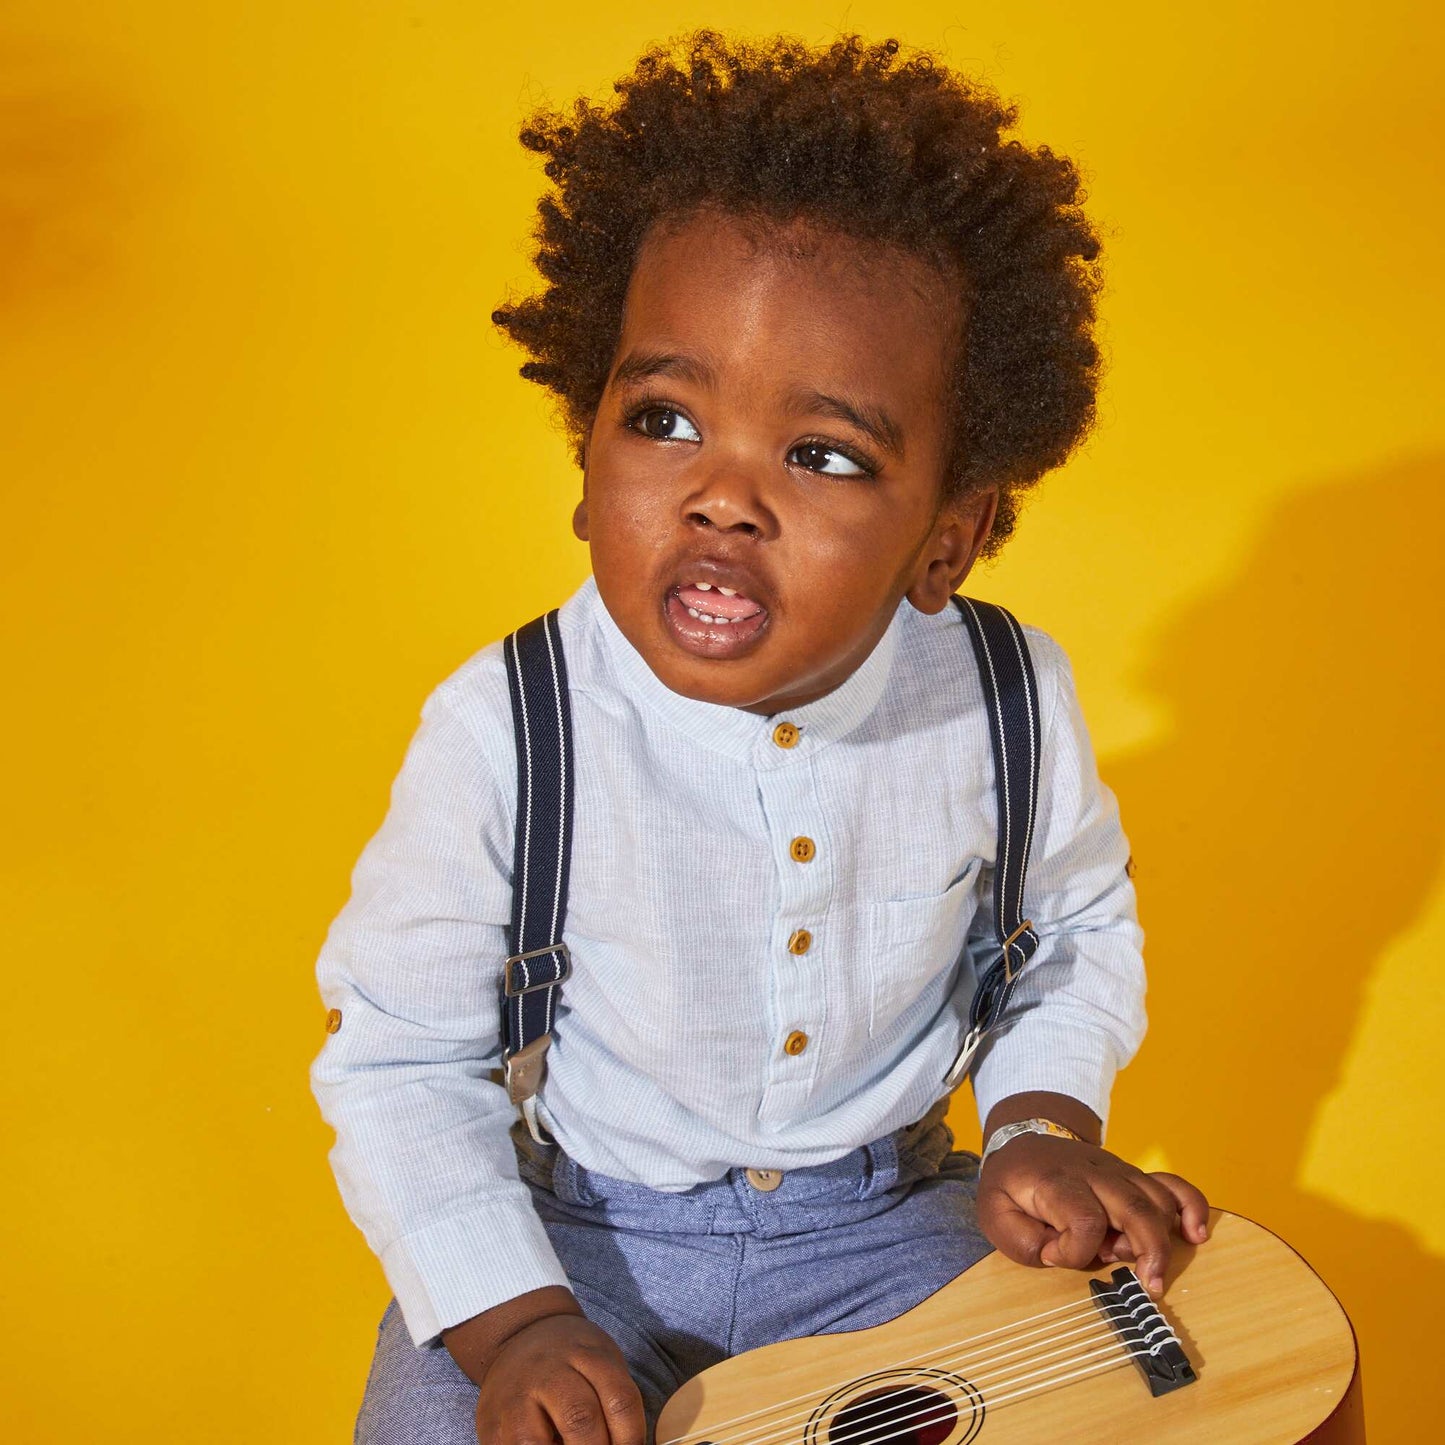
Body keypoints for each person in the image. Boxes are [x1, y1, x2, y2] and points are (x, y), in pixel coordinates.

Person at [311, 32, 1210, 1445]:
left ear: (948, 539)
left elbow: (1075, 931)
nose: (724, 497)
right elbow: (396, 1062)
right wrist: (518, 1323)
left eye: (825, 454)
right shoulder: (508, 723)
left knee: (1133, 1407)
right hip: (572, 1242)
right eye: (664, 418)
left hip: (886, 1226)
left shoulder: (1005, 693)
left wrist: (1038, 1125)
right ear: (583, 457)